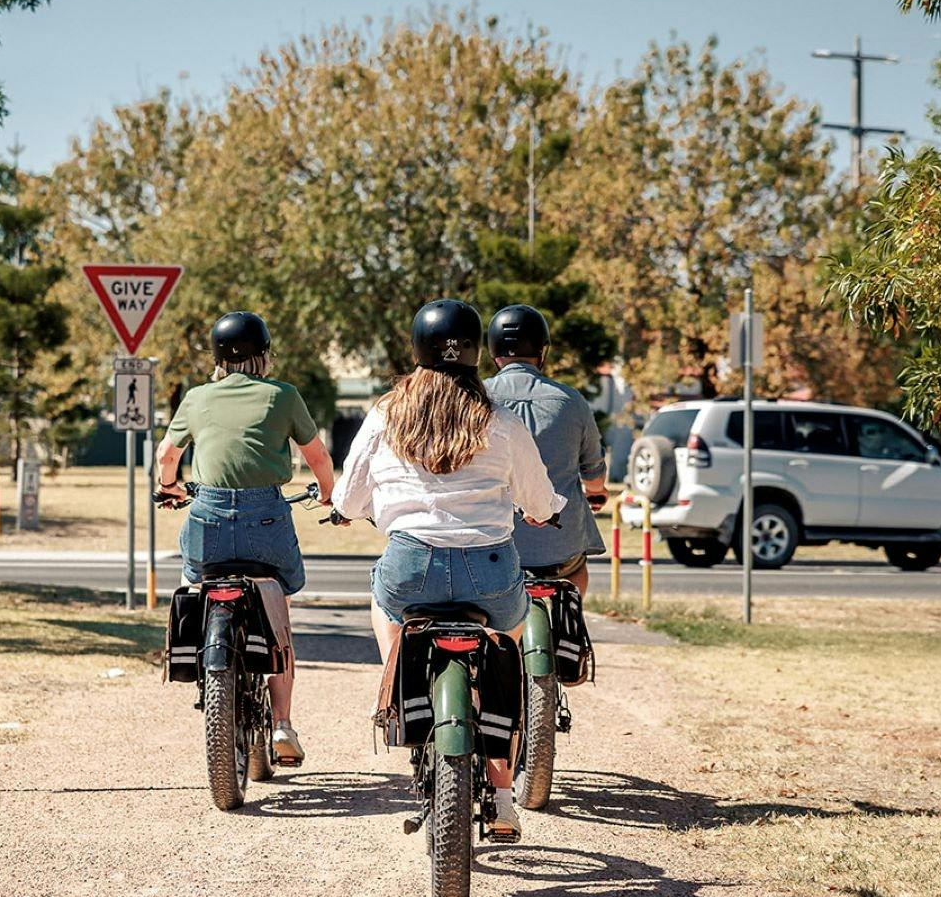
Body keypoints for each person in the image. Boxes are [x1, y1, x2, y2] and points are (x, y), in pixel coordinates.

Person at [333, 299, 565, 839]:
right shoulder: (500, 420)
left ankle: (396, 683)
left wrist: (346, 511)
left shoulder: (386, 415)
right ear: (477, 353)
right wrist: (546, 511)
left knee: (382, 599)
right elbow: (537, 497)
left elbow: (349, 494)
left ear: (416, 349)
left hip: (410, 564)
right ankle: (503, 798)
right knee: (505, 657)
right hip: (490, 572)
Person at [155, 311, 335, 765]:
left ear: (217, 357)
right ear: (264, 354)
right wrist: (328, 495)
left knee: (195, 578)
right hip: (266, 520)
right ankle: (283, 724)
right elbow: (318, 457)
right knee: (278, 610)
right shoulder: (283, 395)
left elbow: (166, 456)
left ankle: (206, 660)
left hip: (208, 517)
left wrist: (170, 487)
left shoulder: (197, 397)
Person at [483, 304, 609, 592]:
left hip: (493, 547)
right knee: (576, 569)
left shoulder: (475, 398)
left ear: (493, 352)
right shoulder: (570, 401)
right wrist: (596, 490)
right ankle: (572, 614)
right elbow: (593, 471)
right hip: (559, 547)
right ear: (542, 350)